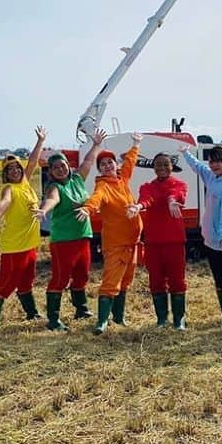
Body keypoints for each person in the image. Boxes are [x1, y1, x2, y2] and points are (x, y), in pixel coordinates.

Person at [33, 129, 107, 331]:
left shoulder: (77, 179)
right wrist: (43, 211)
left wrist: (96, 144)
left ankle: (81, 308)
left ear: (68, 166)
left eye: (62, 165)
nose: (59, 169)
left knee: (82, 274)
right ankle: (53, 319)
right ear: (50, 172)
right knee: (61, 277)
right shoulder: (55, 187)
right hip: (63, 241)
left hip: (82, 236)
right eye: (55, 167)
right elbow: (52, 200)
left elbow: (89, 162)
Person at [75, 132, 144, 334]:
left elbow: (130, 163)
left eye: (110, 162)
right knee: (111, 281)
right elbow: (96, 198)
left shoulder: (122, 179)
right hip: (116, 243)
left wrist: (135, 144)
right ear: (100, 169)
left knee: (125, 281)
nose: (107, 166)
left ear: (115, 165)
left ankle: (119, 318)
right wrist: (87, 208)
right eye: (102, 164)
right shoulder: (103, 185)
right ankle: (102, 322)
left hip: (133, 242)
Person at [0, 127, 47, 332]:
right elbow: (5, 202)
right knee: (6, 283)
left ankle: (31, 313)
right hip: (14, 246)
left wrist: (40, 142)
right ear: (5, 174)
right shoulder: (9, 188)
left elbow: (33, 162)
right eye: (10, 170)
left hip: (30, 243)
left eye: (17, 168)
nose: (16, 171)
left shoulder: (25, 183)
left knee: (27, 280)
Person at [178, 142, 222, 329]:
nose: (213, 165)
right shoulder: (213, 177)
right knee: (218, 278)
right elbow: (198, 167)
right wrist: (186, 154)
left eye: (218, 161)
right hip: (211, 237)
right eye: (211, 161)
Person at [130, 152, 189, 329]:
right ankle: (162, 319)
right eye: (158, 165)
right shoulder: (147, 186)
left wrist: (172, 201)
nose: (162, 168)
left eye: (166, 164)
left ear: (172, 166)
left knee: (177, 280)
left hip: (174, 241)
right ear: (153, 167)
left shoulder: (180, 184)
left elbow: (176, 194)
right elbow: (147, 199)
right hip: (153, 241)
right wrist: (139, 206)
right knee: (156, 280)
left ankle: (179, 319)